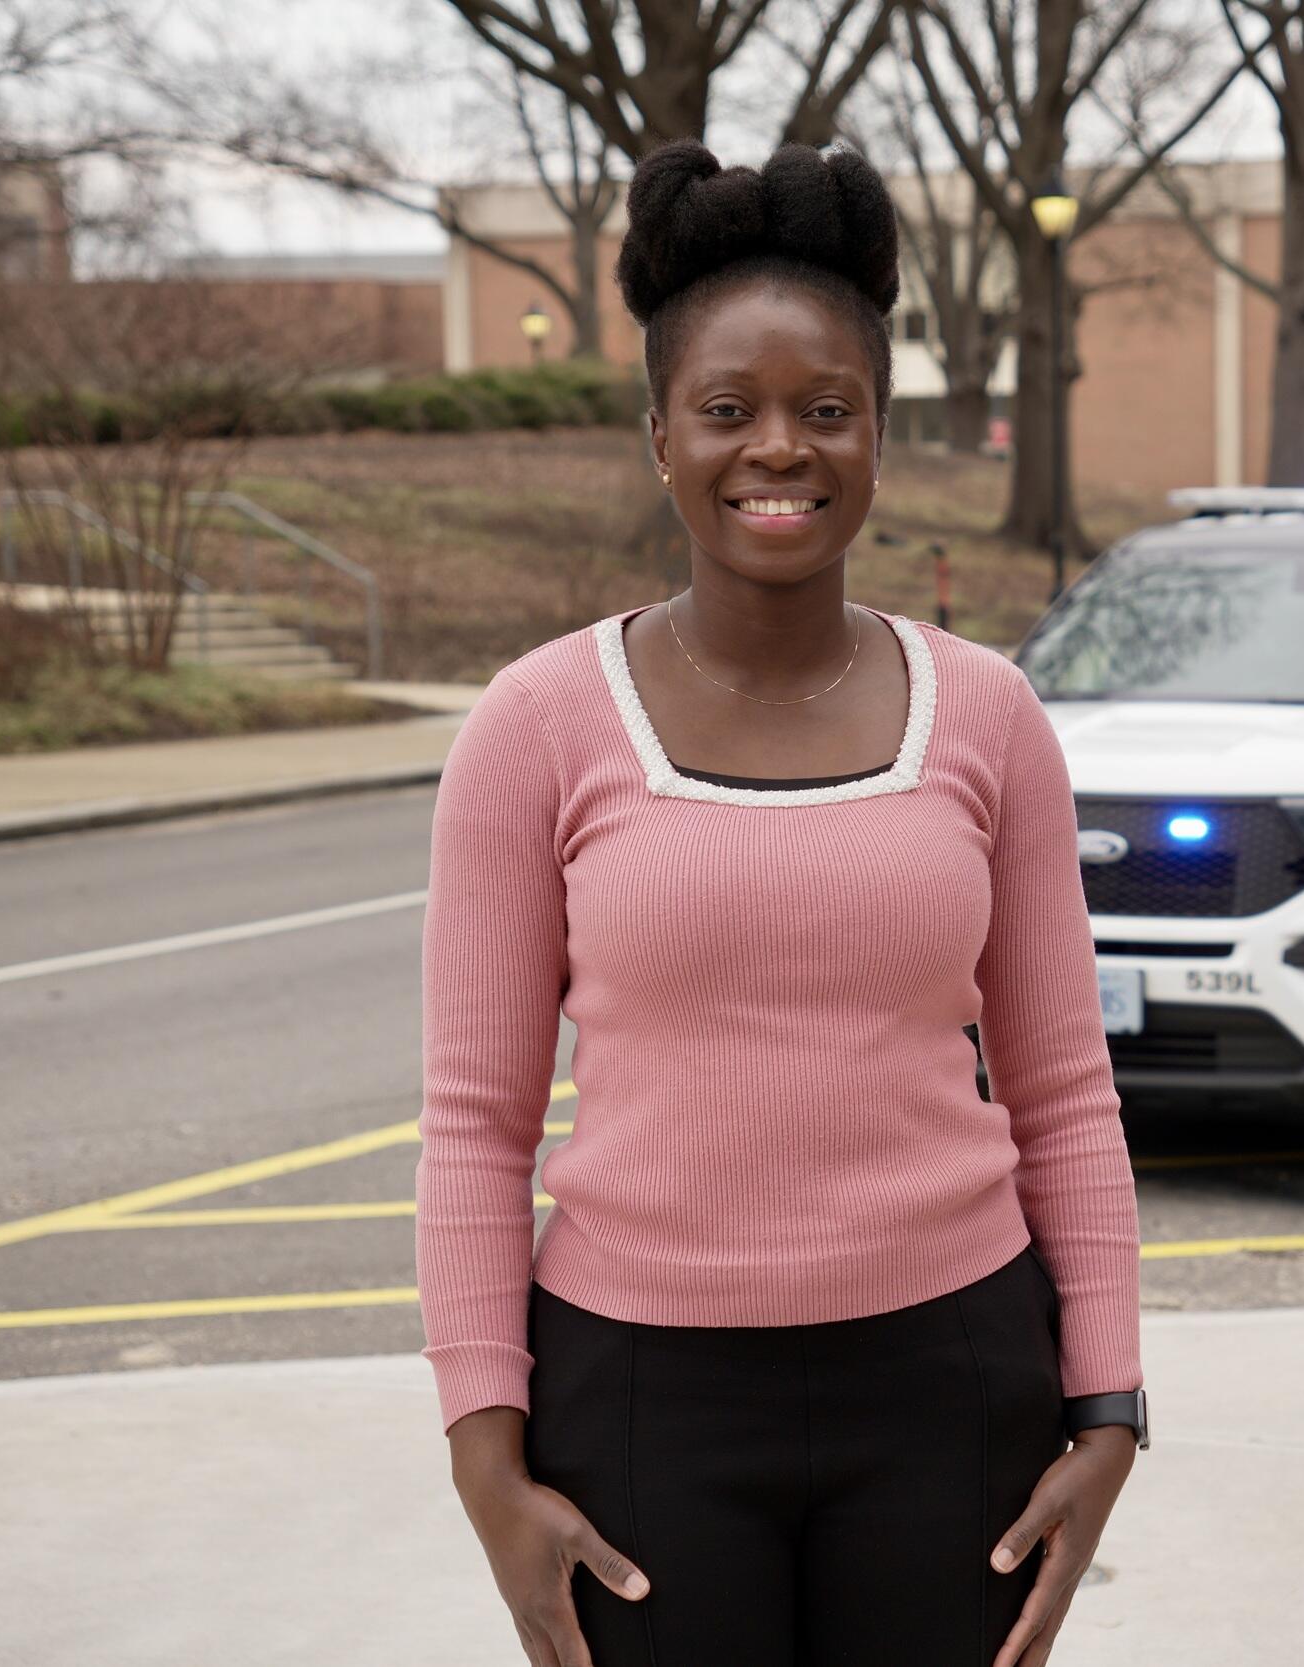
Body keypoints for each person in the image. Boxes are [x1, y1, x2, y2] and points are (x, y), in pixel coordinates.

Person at [415, 136, 1146, 1667]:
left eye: (829, 411)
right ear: (660, 438)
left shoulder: (991, 713)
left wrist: (1110, 1405)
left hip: (955, 1385)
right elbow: (476, 1124)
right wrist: (486, 1458)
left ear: (880, 435)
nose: (781, 450)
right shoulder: (537, 726)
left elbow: (1066, 1092)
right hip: (637, 1406)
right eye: (728, 411)